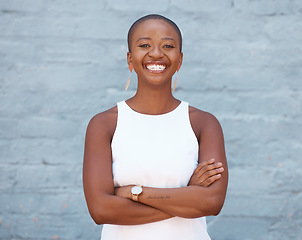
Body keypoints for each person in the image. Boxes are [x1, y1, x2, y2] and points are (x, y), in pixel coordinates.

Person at [83, 14, 228, 240]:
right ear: (130, 60)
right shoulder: (104, 124)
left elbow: (211, 202)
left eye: (167, 45)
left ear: (179, 60)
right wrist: (186, 198)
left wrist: (132, 193)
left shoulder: (203, 123)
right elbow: (101, 210)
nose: (156, 53)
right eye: (145, 45)